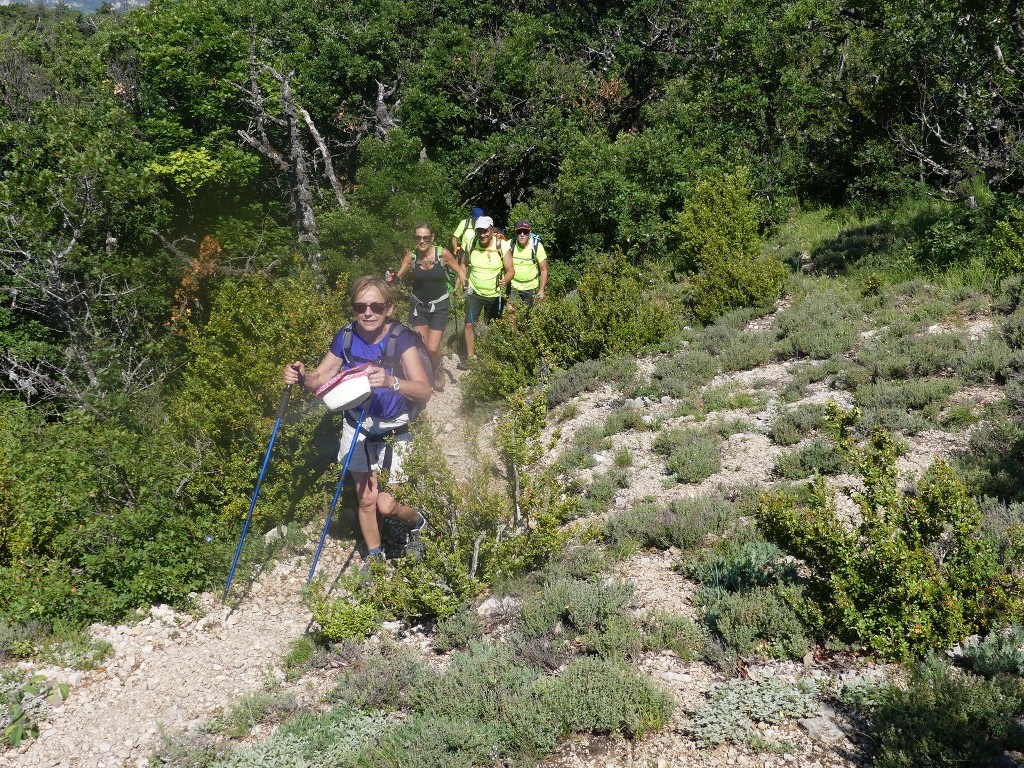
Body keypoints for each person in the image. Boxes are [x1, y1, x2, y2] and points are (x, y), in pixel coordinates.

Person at [283, 276, 432, 563]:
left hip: (395, 429)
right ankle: (374, 559)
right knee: (366, 499)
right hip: (357, 425)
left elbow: (424, 390)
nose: (368, 312)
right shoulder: (346, 336)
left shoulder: (401, 339)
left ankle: (418, 523)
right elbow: (320, 378)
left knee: (387, 504)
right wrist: (302, 377)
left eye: (376, 306)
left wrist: (391, 381)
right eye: (360, 306)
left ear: (388, 307)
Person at [386, 223, 466, 392]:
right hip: (418, 305)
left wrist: (463, 284)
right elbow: (398, 279)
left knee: (432, 347)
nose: (421, 241)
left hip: (439, 305)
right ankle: (424, 377)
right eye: (418, 237)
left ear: (432, 237)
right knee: (420, 346)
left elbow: (459, 270)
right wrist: (391, 278)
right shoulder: (411, 256)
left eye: (425, 237)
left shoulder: (442, 254)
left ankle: (437, 367)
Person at [460, 215, 514, 367]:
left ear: (491, 230)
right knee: (469, 324)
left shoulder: (501, 246)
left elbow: (510, 270)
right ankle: (471, 358)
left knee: (491, 326)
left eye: (485, 231)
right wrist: (464, 281)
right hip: (474, 292)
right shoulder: (471, 243)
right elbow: (464, 265)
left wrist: (506, 280)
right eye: (479, 231)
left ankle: (490, 357)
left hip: (494, 294)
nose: (482, 234)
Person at [507, 220, 548, 308]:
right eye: (519, 231)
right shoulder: (510, 245)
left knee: (530, 315)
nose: (522, 234)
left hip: (531, 287)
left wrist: (541, 290)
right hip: (514, 286)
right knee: (511, 312)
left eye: (525, 232)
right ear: (516, 233)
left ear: (529, 233)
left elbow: (544, 269)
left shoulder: (537, 246)